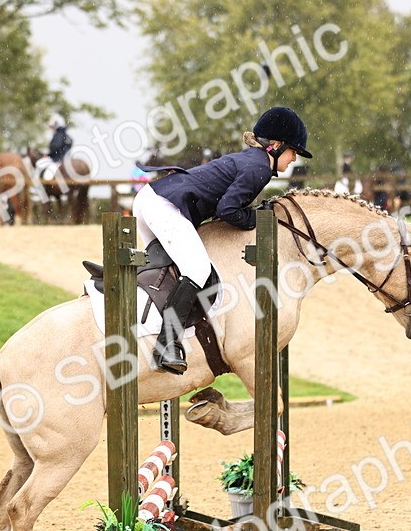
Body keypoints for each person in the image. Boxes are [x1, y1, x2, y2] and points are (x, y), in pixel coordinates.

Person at [133, 105, 311, 374]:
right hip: (163, 206)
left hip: (151, 198)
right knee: (197, 270)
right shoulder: (259, 167)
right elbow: (227, 210)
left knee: (168, 272)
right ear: (276, 145)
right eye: (293, 151)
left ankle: (148, 331)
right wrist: (257, 218)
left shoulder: (252, 160)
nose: (294, 158)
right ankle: (166, 344)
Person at [34, 114, 72, 182]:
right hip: (65, 160)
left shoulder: (58, 135)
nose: (52, 128)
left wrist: (48, 155)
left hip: (57, 160)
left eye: (52, 126)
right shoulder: (66, 136)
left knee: (39, 165)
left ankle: (37, 185)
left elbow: (55, 147)